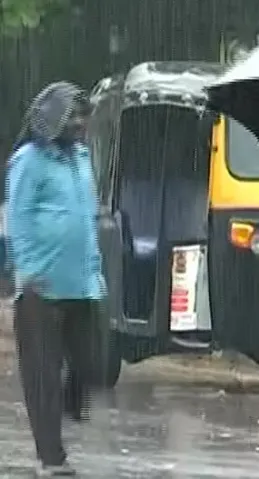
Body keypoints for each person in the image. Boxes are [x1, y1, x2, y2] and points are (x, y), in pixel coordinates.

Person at [6, 82, 105, 476]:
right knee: (42, 375)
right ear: (51, 122)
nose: (81, 124)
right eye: (73, 117)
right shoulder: (28, 161)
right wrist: (28, 274)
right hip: (40, 288)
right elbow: (19, 219)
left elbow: (87, 220)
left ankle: (70, 398)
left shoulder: (82, 157)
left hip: (82, 282)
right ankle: (52, 458)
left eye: (83, 116)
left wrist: (96, 269)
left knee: (93, 364)